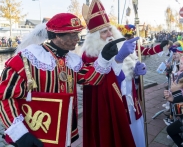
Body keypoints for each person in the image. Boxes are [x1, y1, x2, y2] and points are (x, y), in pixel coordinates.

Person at [0, 13, 118, 147]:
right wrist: (20, 134)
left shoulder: (72, 60)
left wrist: (104, 57)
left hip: (62, 131)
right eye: (72, 35)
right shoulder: (28, 58)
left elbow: (90, 78)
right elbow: (4, 96)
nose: (77, 39)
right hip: (34, 130)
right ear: (57, 35)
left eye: (77, 34)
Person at [80, 0, 139, 147]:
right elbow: (100, 80)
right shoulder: (89, 54)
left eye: (110, 30)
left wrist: (136, 72)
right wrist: (118, 59)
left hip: (129, 98)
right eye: (104, 32)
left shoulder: (118, 44)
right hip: (109, 104)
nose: (110, 35)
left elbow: (126, 75)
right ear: (94, 38)